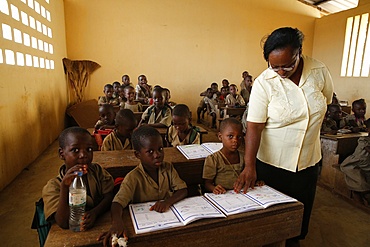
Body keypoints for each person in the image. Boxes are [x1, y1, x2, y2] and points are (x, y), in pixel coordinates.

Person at [233, 27, 334, 244]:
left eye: (288, 64)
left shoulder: (319, 71)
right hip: (272, 165)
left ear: (299, 52)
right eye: (274, 65)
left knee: (298, 223)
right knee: (270, 225)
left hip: (308, 163)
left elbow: (325, 102)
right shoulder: (264, 83)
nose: (280, 71)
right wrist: (249, 166)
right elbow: (254, 127)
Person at [99, 126, 188, 246]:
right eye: (150, 151)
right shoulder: (133, 177)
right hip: (146, 225)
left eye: (160, 149)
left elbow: (182, 190)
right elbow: (117, 203)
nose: (157, 155)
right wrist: (117, 223)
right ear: (138, 155)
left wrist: (167, 202)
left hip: (169, 221)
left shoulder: (168, 168)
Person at [42, 127, 114, 230]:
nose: (83, 155)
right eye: (75, 150)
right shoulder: (53, 186)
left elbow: (109, 195)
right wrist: (65, 188)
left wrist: (95, 213)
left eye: (89, 149)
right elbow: (63, 222)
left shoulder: (97, 171)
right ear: (61, 154)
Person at [203, 118, 244, 194]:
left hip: (240, 195)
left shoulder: (244, 157)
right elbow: (207, 184)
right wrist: (214, 188)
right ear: (220, 137)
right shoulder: (213, 159)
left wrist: (257, 183)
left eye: (239, 137)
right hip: (222, 196)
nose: (235, 140)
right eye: (230, 136)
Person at [340, 134, 370, 206]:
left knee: (361, 188)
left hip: (365, 166)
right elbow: (368, 149)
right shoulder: (363, 139)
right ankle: (361, 206)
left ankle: (362, 205)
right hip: (353, 165)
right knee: (359, 187)